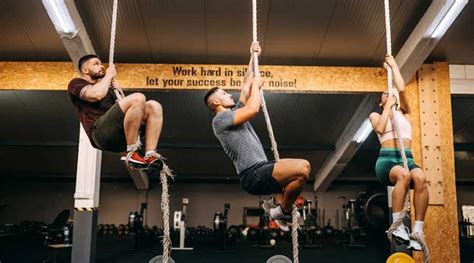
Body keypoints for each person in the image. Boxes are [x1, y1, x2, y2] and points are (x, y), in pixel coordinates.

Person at [204, 42, 311, 231]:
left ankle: (274, 205)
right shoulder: (220, 120)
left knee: (299, 179)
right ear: (216, 102)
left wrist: (252, 57)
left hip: (262, 169)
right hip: (253, 174)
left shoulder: (234, 112)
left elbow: (246, 84)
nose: (229, 94)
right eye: (224, 93)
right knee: (303, 167)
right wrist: (257, 87)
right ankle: (281, 211)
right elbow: (253, 109)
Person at [369, 55, 429, 251]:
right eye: (385, 94)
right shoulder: (377, 114)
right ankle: (397, 226)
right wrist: (387, 105)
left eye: (390, 92)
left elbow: (401, 88)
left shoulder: (404, 112)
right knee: (403, 175)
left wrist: (393, 65)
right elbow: (379, 128)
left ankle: (418, 230)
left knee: (420, 177)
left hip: (407, 159)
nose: (390, 93)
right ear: (380, 102)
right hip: (386, 161)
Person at [68, 54, 163, 170]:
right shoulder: (77, 83)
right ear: (85, 70)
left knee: (154, 106)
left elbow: (130, 112)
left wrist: (118, 91)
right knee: (138, 97)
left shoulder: (109, 90)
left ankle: (150, 154)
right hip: (100, 134)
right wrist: (108, 76)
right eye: (96, 64)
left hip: (119, 135)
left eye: (101, 64)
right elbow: (95, 95)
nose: (101, 66)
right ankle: (132, 152)